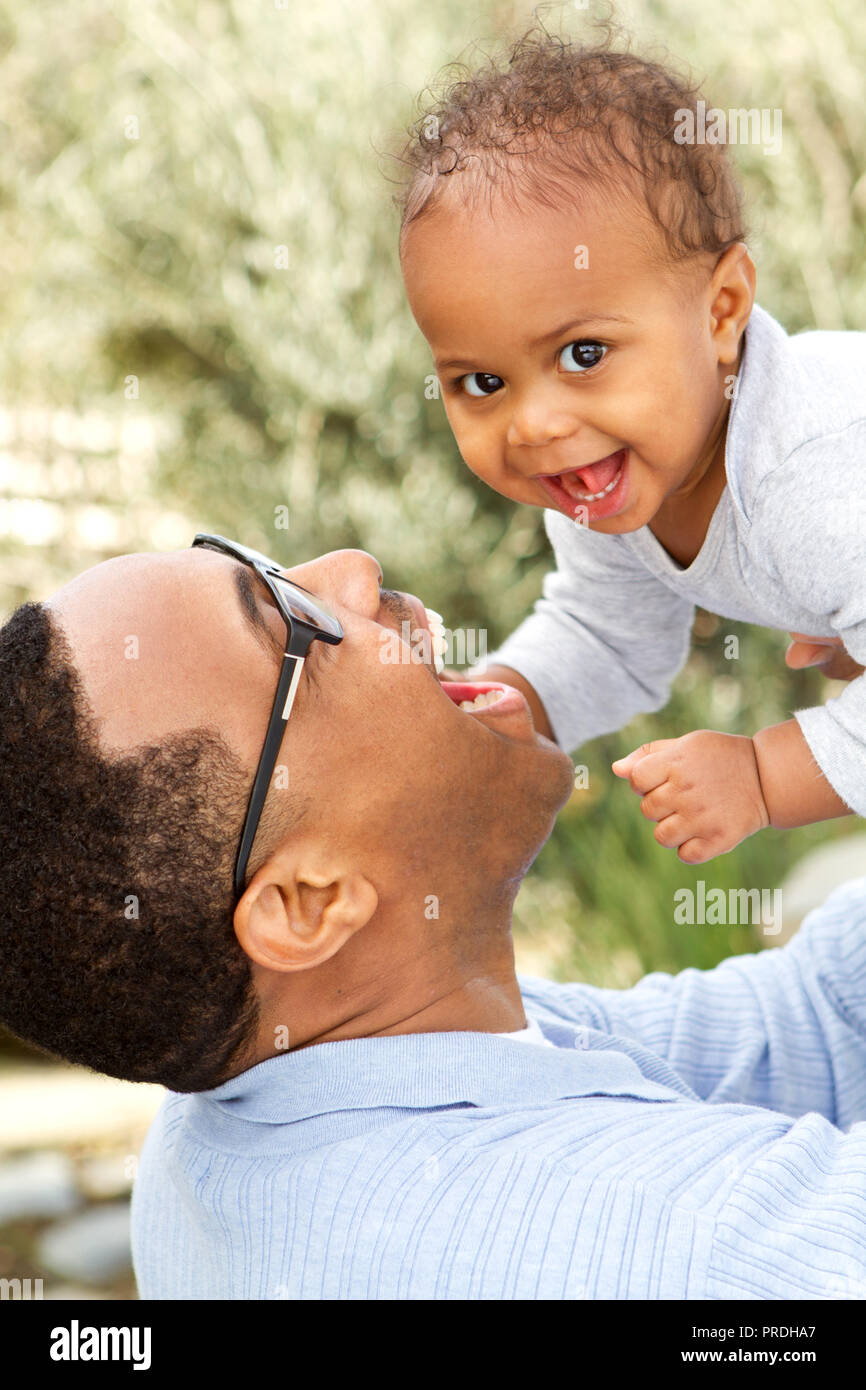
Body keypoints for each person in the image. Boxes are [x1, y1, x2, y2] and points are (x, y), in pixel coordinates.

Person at [1, 535, 865, 1299]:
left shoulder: (235, 1116)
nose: (354, 569)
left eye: (258, 564)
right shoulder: (686, 1248)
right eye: (290, 628)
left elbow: (816, 1021)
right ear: (309, 904)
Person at [396, 24, 866, 866]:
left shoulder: (809, 474)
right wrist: (506, 702)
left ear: (721, 313)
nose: (534, 426)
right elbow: (607, 635)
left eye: (584, 355)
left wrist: (764, 776)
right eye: (483, 383)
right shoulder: (600, 478)